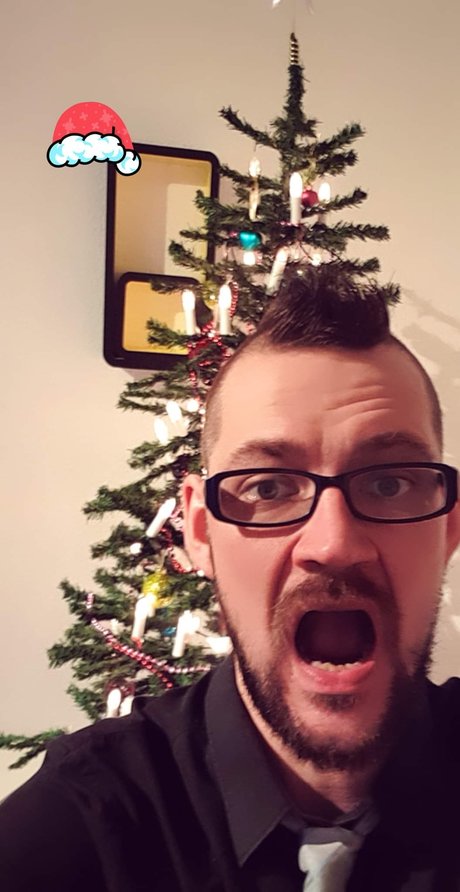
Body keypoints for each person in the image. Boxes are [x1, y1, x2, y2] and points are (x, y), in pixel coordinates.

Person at [1, 268, 460, 891]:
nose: (334, 545)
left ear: (448, 527)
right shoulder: (79, 827)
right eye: (267, 488)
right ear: (199, 531)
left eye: (388, 483)